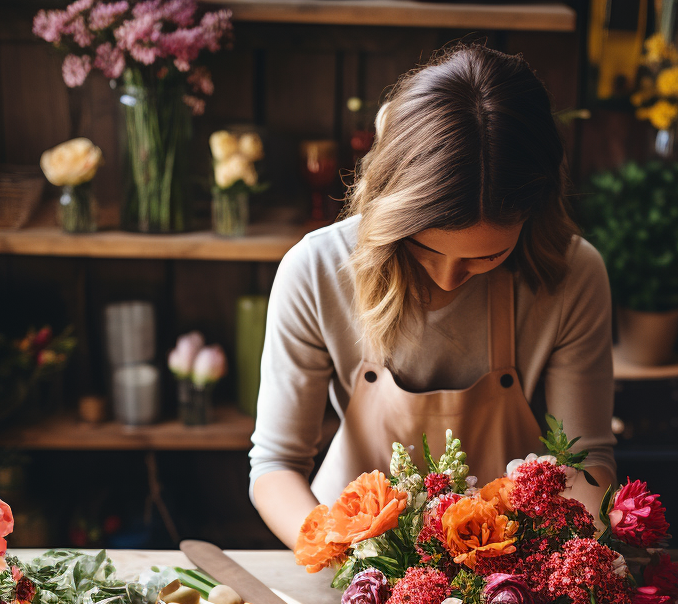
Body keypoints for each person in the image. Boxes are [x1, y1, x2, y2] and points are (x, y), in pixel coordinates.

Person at [249, 43, 617, 549]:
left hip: (510, 566)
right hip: (353, 565)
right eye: (424, 248)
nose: (448, 278)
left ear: (532, 214)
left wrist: (559, 566)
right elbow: (276, 465)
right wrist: (349, 561)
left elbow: (587, 460)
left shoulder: (573, 275)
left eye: (486, 257)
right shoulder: (316, 271)